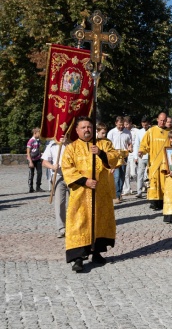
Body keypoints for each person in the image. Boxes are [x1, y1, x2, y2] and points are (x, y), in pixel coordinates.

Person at [61, 116, 118, 272]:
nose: (87, 130)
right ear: (77, 130)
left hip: (100, 193)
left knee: (98, 221)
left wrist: (100, 153)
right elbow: (67, 168)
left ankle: (97, 252)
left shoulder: (104, 144)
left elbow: (114, 158)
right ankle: (77, 258)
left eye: (89, 127)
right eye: (84, 127)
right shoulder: (71, 148)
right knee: (79, 223)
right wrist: (84, 181)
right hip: (81, 194)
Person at [138, 112, 170, 210]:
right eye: (161, 120)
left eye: (164, 120)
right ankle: (154, 202)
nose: (162, 122)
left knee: (164, 183)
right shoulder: (151, 131)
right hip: (154, 163)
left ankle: (164, 202)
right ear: (157, 119)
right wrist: (141, 151)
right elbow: (144, 143)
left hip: (165, 164)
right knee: (154, 183)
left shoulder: (170, 132)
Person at [41, 136, 69, 238]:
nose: (63, 136)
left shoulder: (72, 144)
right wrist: (52, 166)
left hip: (72, 176)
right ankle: (62, 228)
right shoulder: (51, 145)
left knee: (74, 202)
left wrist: (66, 144)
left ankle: (72, 226)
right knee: (59, 203)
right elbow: (44, 162)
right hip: (58, 176)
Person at [107, 116, 132, 203]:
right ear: (116, 123)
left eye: (122, 125)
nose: (121, 126)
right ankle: (116, 196)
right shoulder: (111, 133)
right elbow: (108, 145)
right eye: (119, 125)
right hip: (115, 156)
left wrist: (130, 148)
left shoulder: (127, 132)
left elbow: (129, 143)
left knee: (122, 176)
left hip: (124, 155)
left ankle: (120, 193)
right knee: (116, 176)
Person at [133, 116, 150, 199]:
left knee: (150, 175)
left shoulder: (152, 131)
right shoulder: (139, 132)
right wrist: (135, 156)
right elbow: (136, 144)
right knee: (140, 173)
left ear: (148, 123)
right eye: (143, 124)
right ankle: (139, 191)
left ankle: (150, 191)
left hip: (151, 156)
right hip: (141, 156)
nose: (144, 126)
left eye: (146, 124)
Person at [122, 116, 138, 196]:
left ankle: (140, 184)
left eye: (127, 124)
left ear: (131, 123)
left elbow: (137, 144)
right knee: (126, 173)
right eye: (124, 124)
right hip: (126, 154)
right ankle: (127, 189)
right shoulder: (123, 132)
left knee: (133, 173)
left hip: (134, 153)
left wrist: (137, 155)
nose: (125, 126)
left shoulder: (136, 131)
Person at [26, 127, 44, 193]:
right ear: (35, 133)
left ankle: (38, 187)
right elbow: (28, 152)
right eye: (39, 133)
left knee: (40, 173)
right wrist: (30, 162)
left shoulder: (38, 140)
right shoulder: (31, 141)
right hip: (31, 159)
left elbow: (38, 149)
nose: (40, 135)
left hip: (37, 159)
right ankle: (31, 188)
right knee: (32, 173)